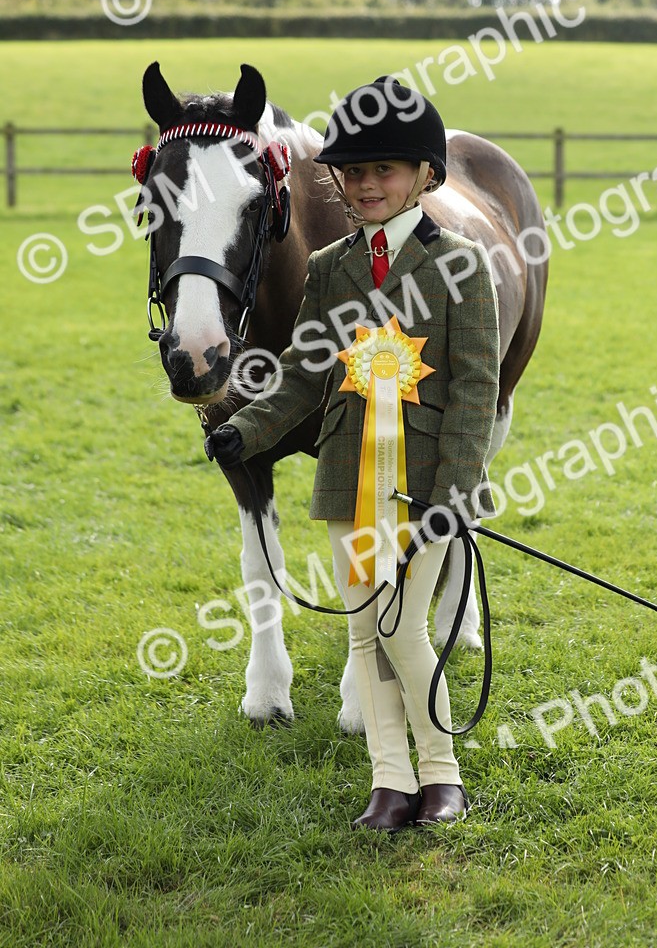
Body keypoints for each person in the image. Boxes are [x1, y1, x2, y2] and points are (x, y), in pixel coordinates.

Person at [205, 76, 500, 832]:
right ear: (335, 179)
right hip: (346, 479)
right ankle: (389, 783)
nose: (368, 185)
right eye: (354, 172)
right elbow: (303, 375)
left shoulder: (461, 263)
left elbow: (474, 392)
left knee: (402, 628)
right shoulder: (330, 267)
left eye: (386, 170)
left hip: (426, 485)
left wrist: (455, 494)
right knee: (365, 630)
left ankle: (442, 776)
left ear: (426, 175)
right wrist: (248, 427)